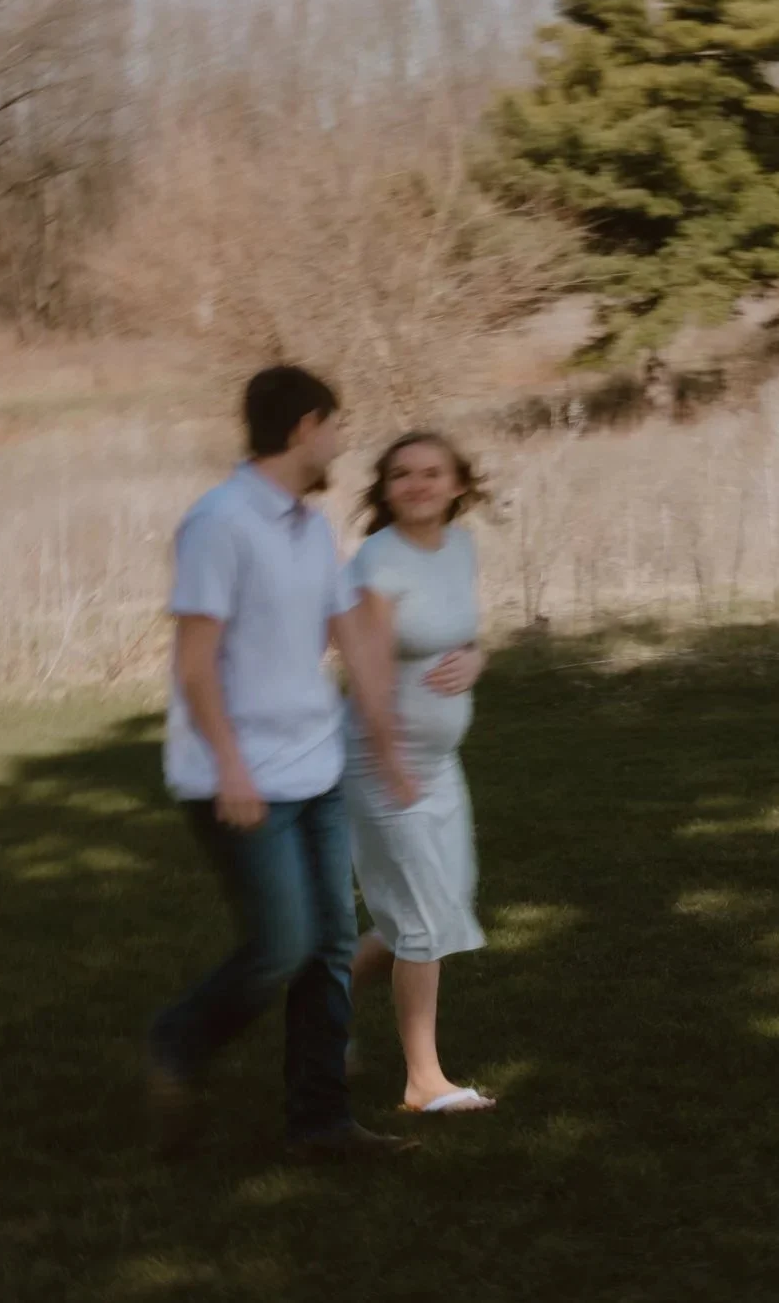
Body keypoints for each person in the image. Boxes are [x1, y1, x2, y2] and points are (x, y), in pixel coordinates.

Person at [148, 365, 419, 1163]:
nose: (340, 441)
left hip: (316, 767)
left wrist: (386, 746)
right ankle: (176, 1042)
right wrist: (231, 765)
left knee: (329, 945)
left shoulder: (309, 526)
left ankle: (321, 1122)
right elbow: (193, 662)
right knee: (279, 945)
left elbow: (353, 642)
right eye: (334, 425)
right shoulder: (219, 522)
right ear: (305, 426)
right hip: (235, 778)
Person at [344, 431, 496, 1116]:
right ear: (384, 488)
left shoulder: (460, 547)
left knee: (442, 903)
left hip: (439, 762)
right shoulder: (377, 560)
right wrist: (390, 761)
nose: (417, 483)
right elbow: (365, 670)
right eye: (401, 473)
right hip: (386, 760)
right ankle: (423, 1082)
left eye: (432, 472)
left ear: (458, 483)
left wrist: (477, 661)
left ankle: (322, 1003)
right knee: (424, 923)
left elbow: (460, 635)